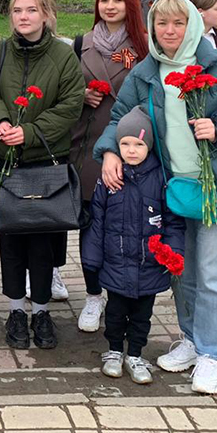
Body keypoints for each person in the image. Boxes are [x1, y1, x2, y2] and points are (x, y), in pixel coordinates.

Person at [95, 0, 217, 394]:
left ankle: (210, 354)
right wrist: (108, 152)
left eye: (178, 23)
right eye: (162, 23)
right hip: (173, 190)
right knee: (180, 270)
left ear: (192, 24)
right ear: (152, 28)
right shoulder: (146, 72)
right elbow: (119, 118)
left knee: (212, 275)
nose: (169, 31)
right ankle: (190, 339)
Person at [0, 0, 85, 350]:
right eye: (17, 10)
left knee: (42, 243)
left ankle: (41, 311)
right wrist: (1, 122)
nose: (23, 17)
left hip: (44, 161)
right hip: (3, 160)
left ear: (45, 14)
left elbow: (71, 105)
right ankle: (15, 310)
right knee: (10, 240)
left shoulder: (63, 55)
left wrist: (29, 132)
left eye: (31, 10)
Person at [69, 0, 149, 334]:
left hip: (131, 149)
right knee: (91, 225)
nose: (110, 6)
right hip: (88, 149)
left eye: (118, 0)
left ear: (130, 4)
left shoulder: (143, 46)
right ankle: (92, 294)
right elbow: (65, 90)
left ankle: (121, 294)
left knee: (124, 227)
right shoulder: (81, 44)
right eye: (104, 0)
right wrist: (81, 96)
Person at [82, 107, 185, 384]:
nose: (131, 150)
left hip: (148, 264)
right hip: (115, 263)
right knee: (115, 313)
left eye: (138, 144)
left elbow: (173, 221)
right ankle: (114, 351)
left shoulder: (161, 178)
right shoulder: (110, 178)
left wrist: (173, 253)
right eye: (125, 144)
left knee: (142, 316)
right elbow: (97, 220)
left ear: (149, 145)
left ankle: (136, 354)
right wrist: (92, 258)